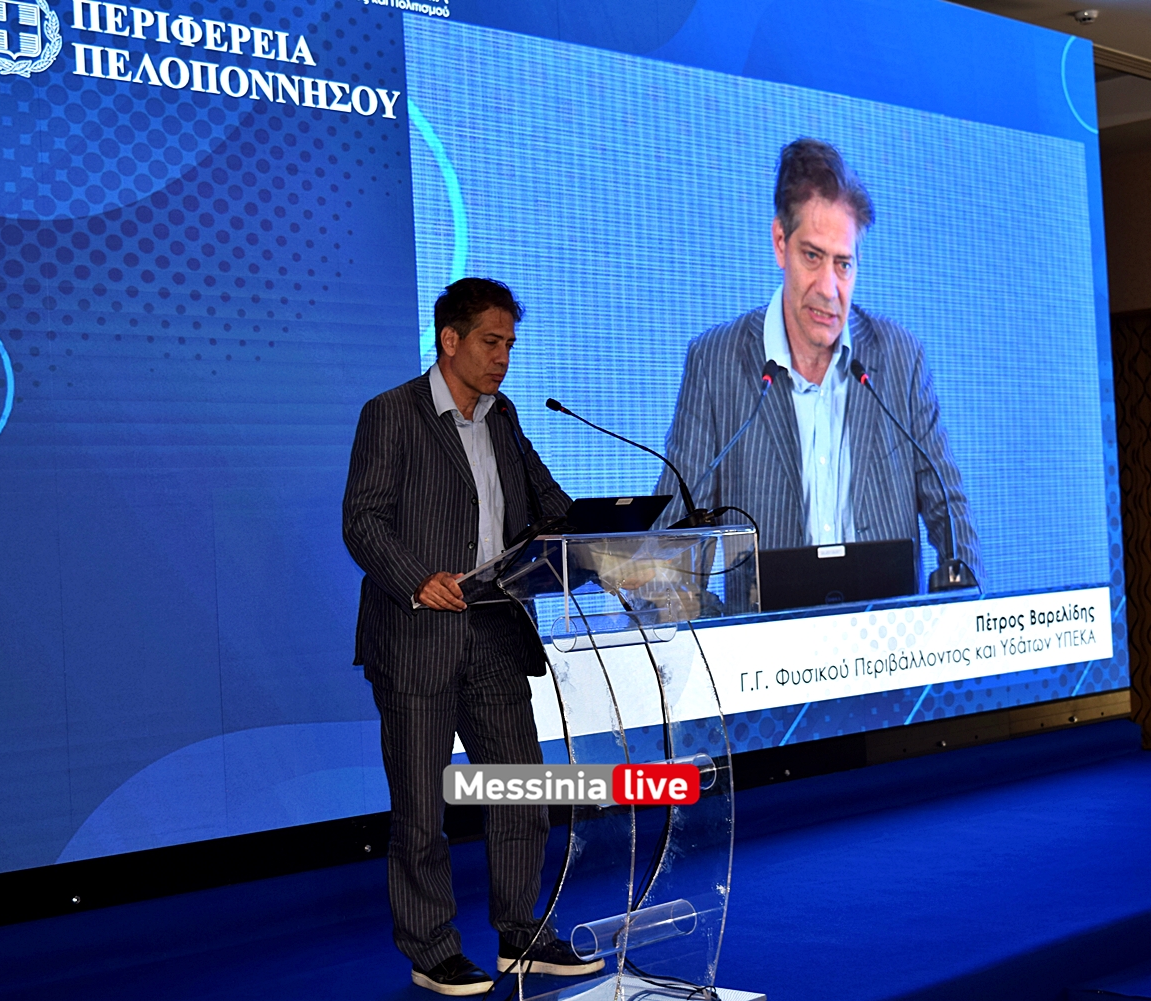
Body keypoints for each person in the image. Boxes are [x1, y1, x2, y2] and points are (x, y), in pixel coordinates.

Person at [342, 278, 600, 996]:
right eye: (491, 341)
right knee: (421, 809)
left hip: (494, 628)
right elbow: (362, 521)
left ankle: (521, 934)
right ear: (449, 339)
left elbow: (549, 508)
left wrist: (614, 543)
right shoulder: (391, 413)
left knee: (520, 789)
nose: (503, 357)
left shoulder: (503, 416)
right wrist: (417, 577)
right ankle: (432, 948)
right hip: (417, 634)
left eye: (510, 344)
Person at [655, 138, 984, 590]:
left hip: (887, 628)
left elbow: (950, 510)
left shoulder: (899, 358)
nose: (829, 288)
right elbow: (676, 537)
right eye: (812, 256)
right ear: (780, 243)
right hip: (770, 633)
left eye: (843, 264)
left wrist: (964, 600)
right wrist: (700, 620)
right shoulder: (716, 363)